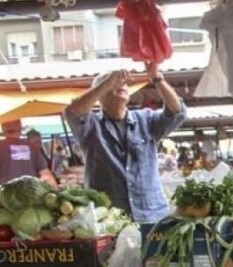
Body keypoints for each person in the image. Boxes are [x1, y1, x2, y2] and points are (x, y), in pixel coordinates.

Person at [64, 62, 186, 223]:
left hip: (151, 216)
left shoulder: (146, 120)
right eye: (113, 84)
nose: (120, 85)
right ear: (99, 95)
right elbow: (72, 112)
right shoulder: (91, 126)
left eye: (124, 84)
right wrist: (108, 82)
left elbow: (177, 113)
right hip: (109, 219)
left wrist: (157, 79)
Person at [0, 119, 57, 186]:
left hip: (6, 193)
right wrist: (56, 192)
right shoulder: (31, 147)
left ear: (3, 128)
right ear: (20, 128)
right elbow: (46, 175)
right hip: (32, 192)